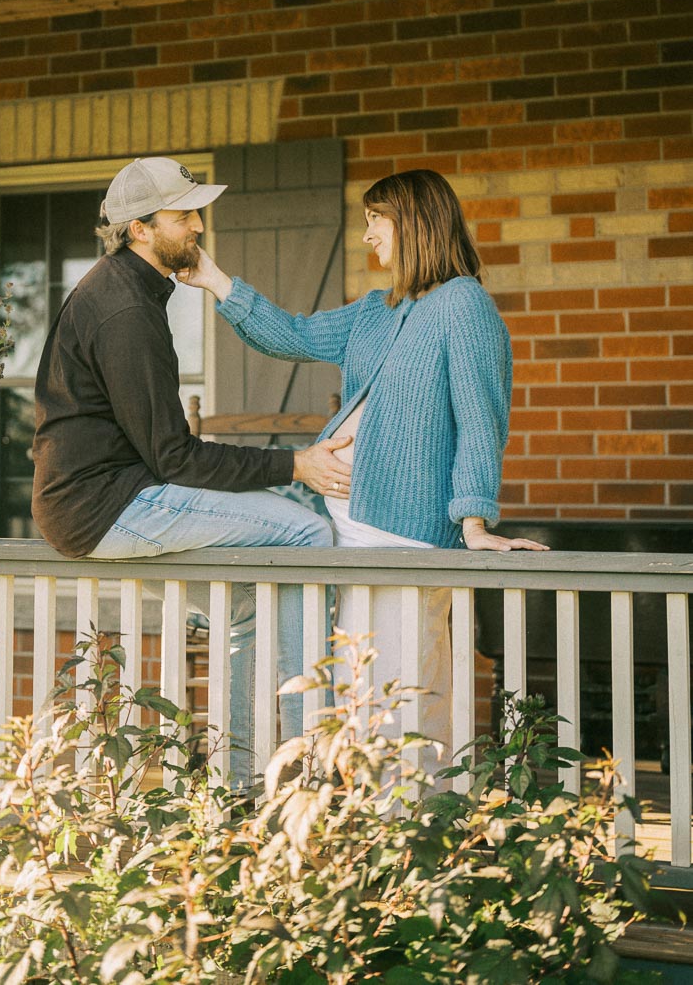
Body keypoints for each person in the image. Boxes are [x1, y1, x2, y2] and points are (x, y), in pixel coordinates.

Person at [179, 168, 548, 773]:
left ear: (415, 220)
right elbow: (289, 335)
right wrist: (214, 279)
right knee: (357, 689)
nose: (367, 234)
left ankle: (417, 827)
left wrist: (474, 523)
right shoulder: (378, 310)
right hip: (342, 527)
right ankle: (359, 824)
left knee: (403, 692)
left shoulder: (463, 304)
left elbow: (482, 420)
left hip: (403, 535)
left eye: (377, 219)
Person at [32, 156, 351, 786]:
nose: (199, 225)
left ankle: (240, 783)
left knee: (245, 609)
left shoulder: (126, 289)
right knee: (308, 532)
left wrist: (206, 276)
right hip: (111, 505)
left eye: (197, 211)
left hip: (100, 499)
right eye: (183, 216)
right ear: (139, 229)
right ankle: (313, 768)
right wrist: (297, 464)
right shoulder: (124, 310)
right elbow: (175, 457)